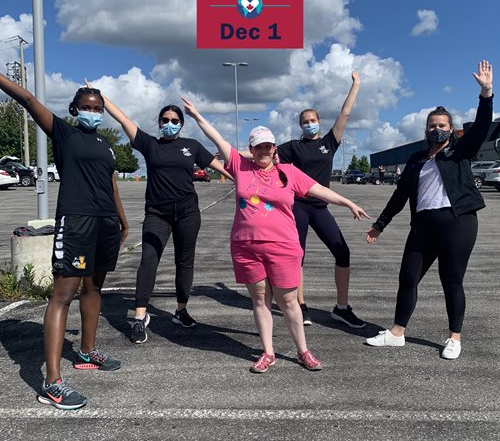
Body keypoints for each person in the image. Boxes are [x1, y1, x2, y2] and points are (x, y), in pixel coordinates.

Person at [183, 98, 370, 373]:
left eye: (268, 146)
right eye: (258, 147)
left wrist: (348, 203)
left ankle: (303, 351)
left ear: (274, 148)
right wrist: (198, 116)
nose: (263, 151)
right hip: (247, 247)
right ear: (251, 149)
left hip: (283, 246)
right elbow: (218, 138)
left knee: (289, 301)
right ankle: (268, 352)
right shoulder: (239, 166)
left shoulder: (289, 172)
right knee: (260, 300)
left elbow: (319, 190)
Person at [0, 74, 128, 410]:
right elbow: (26, 98)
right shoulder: (64, 132)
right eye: (86, 107)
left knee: (95, 288)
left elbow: (111, 184)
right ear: (74, 110)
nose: (93, 112)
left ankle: (87, 351)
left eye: (98, 108)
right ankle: (51, 383)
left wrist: (123, 220)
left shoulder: (106, 145)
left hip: (105, 223)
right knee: (63, 295)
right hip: (77, 223)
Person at [365, 60, 493, 360]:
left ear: (451, 130)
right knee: (407, 277)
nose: (437, 130)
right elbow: (400, 195)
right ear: (426, 129)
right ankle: (397, 332)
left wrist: (486, 93)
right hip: (423, 227)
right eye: (432, 126)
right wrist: (380, 224)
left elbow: (483, 128)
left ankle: (454, 337)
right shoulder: (415, 159)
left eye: (442, 126)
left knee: (452, 279)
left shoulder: (459, 151)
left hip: (457, 223)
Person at [85, 82, 232, 343]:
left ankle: (181, 310)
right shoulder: (149, 144)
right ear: (159, 122)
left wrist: (247, 182)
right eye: (165, 120)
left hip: (188, 213)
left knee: (185, 262)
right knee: (149, 260)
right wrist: (100, 96)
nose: (169, 123)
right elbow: (122, 118)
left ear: (181, 123)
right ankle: (140, 316)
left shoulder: (192, 146)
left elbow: (222, 168)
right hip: (157, 214)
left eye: (175, 120)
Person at [277, 71, 364, 327]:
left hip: (320, 207)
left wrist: (356, 84)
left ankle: (342, 307)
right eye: (304, 121)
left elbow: (345, 114)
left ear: (319, 120)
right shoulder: (293, 147)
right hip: (299, 206)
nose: (309, 124)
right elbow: (262, 151)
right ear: (300, 125)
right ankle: (300, 306)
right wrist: (228, 152)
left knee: (342, 251)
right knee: (297, 256)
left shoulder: (329, 142)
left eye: (312, 120)